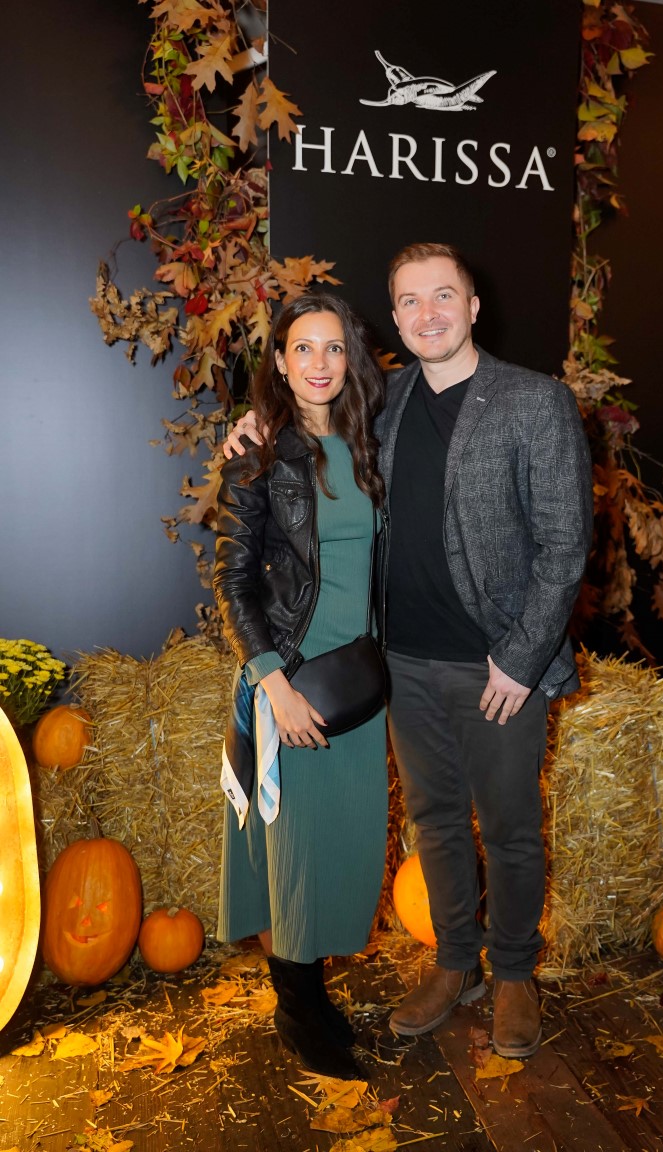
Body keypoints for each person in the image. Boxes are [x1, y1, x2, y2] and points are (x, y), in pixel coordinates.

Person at [225, 243, 593, 1060]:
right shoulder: (380, 408)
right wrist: (253, 425)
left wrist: (523, 658)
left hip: (499, 667)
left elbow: (567, 546)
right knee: (435, 824)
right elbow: (301, 431)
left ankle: (513, 974)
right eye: (411, 302)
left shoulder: (534, 401)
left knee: (511, 827)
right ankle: (455, 962)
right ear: (393, 319)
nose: (428, 314)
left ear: (473, 305)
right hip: (403, 664)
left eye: (443, 296)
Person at [214, 292, 388, 1080]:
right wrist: (274, 687)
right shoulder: (257, 454)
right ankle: (297, 1007)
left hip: (357, 681)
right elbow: (232, 582)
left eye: (334, 348)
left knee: (343, 843)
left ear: (351, 360)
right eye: (303, 348)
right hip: (293, 677)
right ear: (280, 363)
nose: (320, 363)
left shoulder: (368, 442)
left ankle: (314, 998)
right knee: (293, 851)